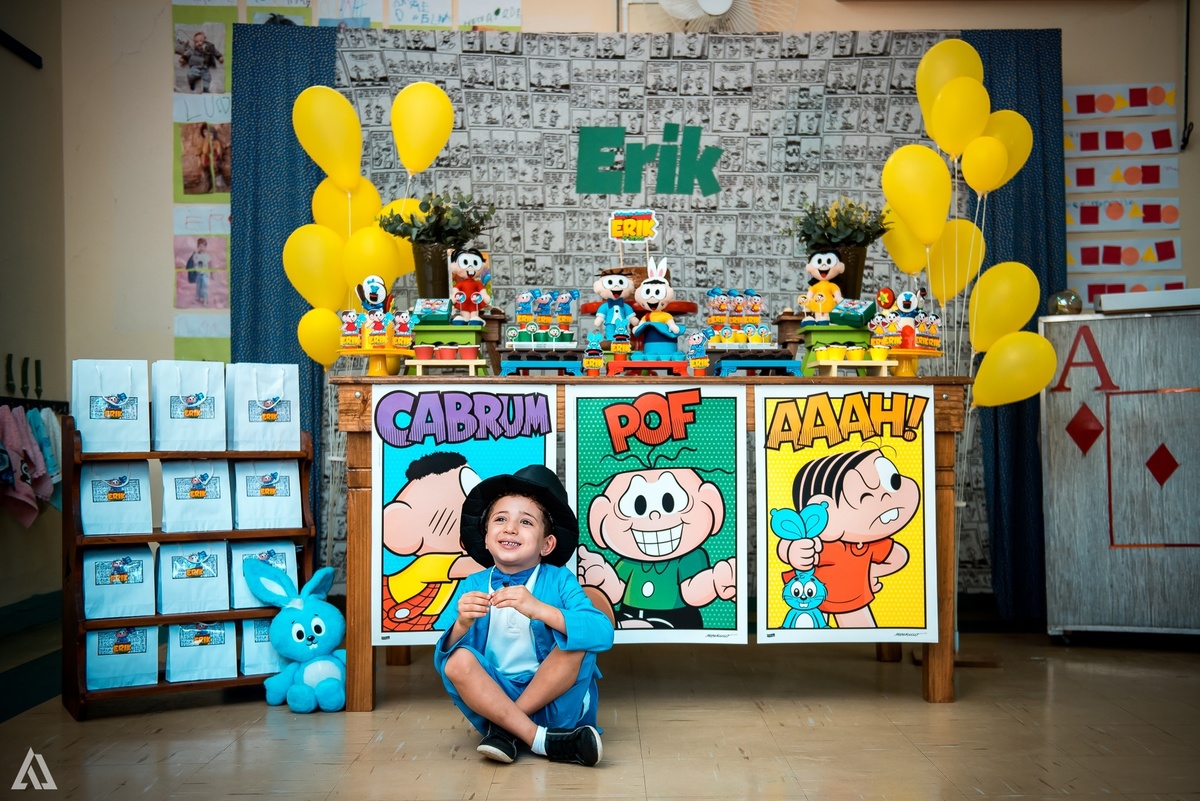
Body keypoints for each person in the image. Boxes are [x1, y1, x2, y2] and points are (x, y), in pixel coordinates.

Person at [434, 464, 614, 767]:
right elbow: (446, 663)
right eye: (500, 519)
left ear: (547, 544)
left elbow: (602, 632)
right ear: (487, 537)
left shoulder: (559, 580)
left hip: (555, 702)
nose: (510, 528)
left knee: (577, 644)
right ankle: (543, 741)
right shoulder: (474, 585)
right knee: (457, 660)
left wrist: (540, 609)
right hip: (494, 698)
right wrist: (462, 624)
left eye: (526, 522)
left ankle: (507, 731)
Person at [187, 237, 211, 306]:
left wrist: (211, 273)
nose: (201, 248)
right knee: (198, 286)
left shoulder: (207, 256)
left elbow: (210, 264)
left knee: (204, 287)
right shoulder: (195, 255)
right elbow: (193, 263)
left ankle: (205, 299)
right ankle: (197, 297)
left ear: (206, 247)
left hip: (205, 274)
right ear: (197, 247)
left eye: (203, 246)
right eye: (200, 246)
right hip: (198, 274)